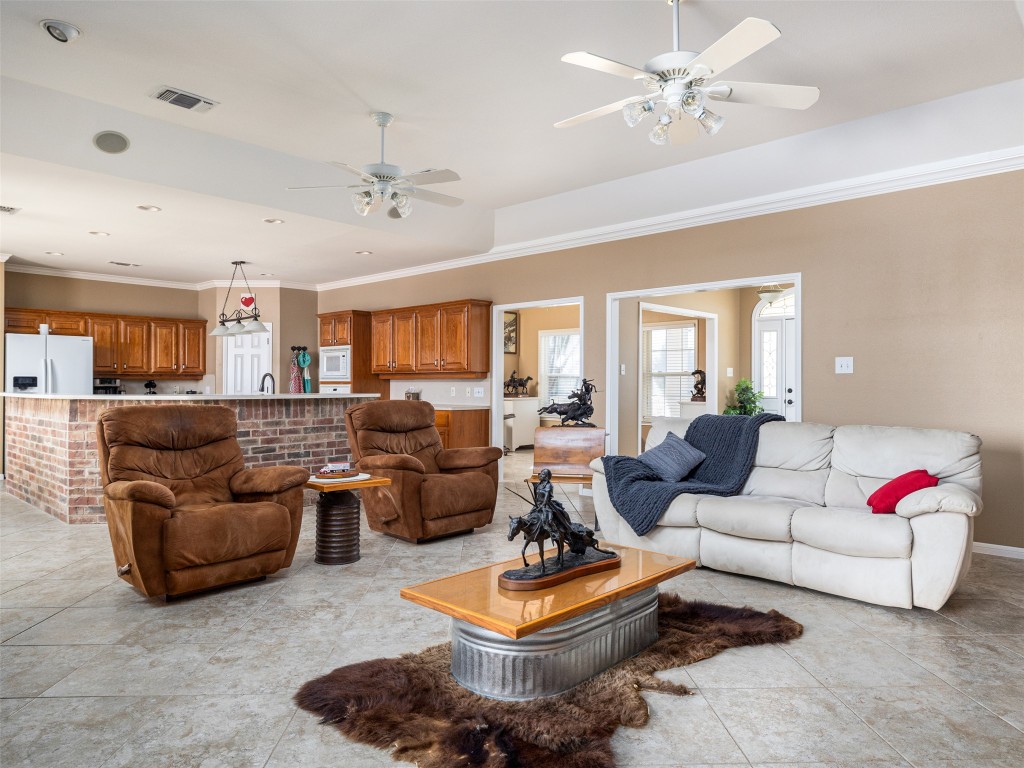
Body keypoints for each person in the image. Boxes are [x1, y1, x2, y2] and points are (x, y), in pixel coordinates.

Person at [532, 468, 573, 537]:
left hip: (546, 505)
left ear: (547, 477)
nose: (540, 475)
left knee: (549, 519)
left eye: (543, 474)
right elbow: (536, 492)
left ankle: (554, 531)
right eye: (540, 474)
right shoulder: (539, 484)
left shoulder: (549, 486)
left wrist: (541, 506)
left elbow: (546, 499)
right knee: (531, 515)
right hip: (538, 504)